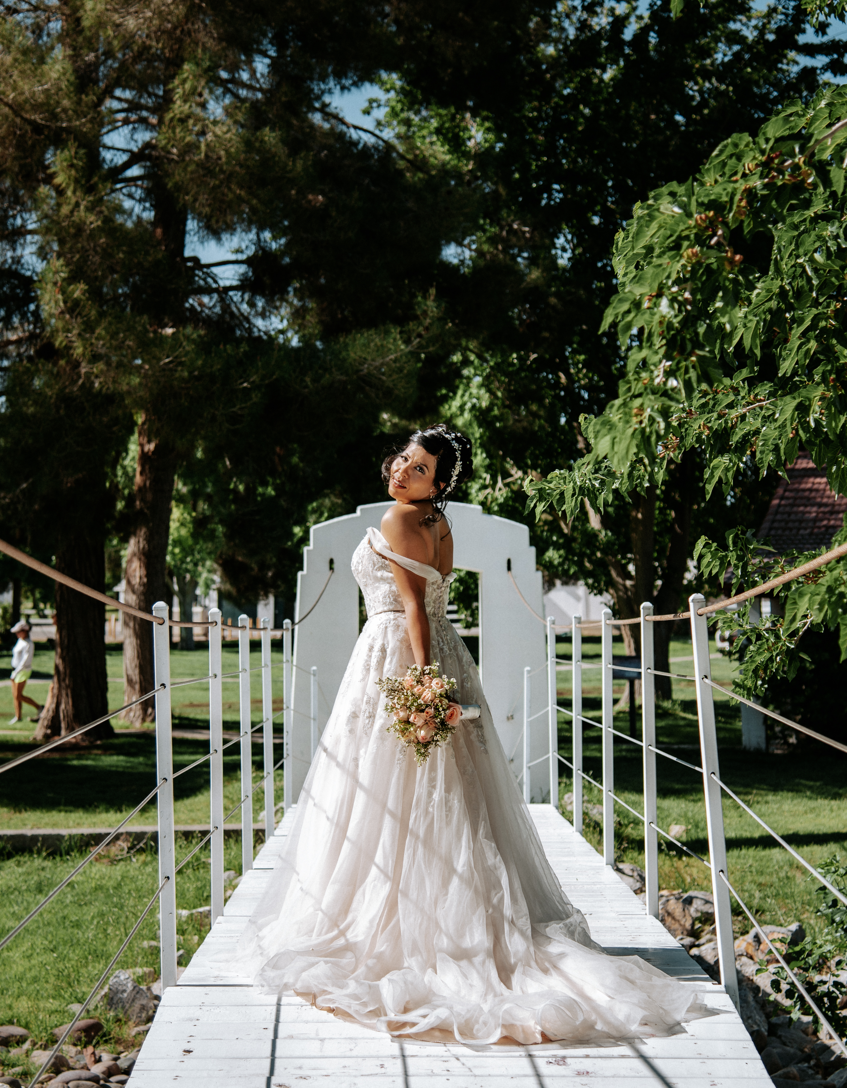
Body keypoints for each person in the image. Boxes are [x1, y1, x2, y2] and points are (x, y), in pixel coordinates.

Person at [238, 424, 714, 1046]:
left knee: (391, 786)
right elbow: (437, 597)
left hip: (398, 653)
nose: (401, 472)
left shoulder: (398, 520)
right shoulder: (440, 524)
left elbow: (412, 607)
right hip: (440, 650)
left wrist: (425, 684)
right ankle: (454, 910)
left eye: (417, 468)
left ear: (438, 482)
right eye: (403, 460)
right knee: (444, 792)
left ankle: (413, 924)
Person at [8, 620, 41, 725]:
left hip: (23, 670)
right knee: (15, 695)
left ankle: (39, 707)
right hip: (15, 670)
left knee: (18, 695)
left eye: (19, 631)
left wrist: (16, 672)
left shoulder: (29, 644)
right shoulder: (20, 641)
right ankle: (18, 716)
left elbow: (25, 661)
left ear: (25, 631)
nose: (17, 634)